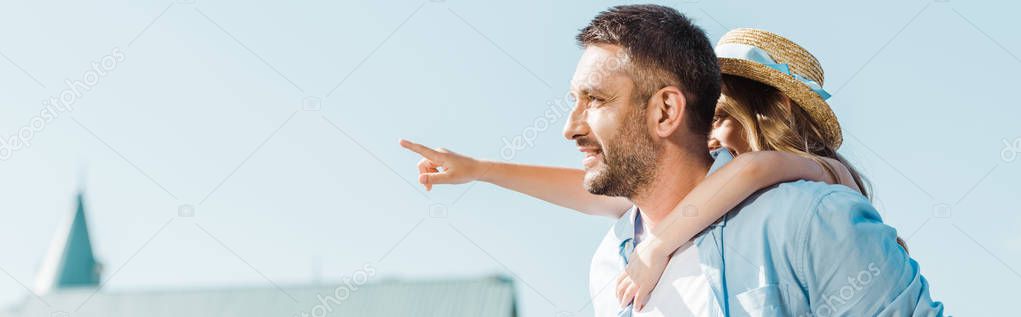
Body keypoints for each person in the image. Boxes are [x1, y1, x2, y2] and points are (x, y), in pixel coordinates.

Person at [401, 5, 942, 316]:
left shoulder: (812, 211)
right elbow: (586, 189)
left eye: (596, 100)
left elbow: (756, 168)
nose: (570, 127)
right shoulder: (612, 262)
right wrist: (479, 170)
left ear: (667, 109)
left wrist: (658, 246)